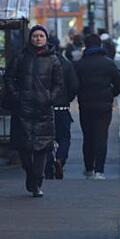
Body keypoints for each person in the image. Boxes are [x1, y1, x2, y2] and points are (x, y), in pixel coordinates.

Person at [4, 25, 63, 197]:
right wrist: (17, 95)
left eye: (41, 36)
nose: (38, 39)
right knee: (24, 148)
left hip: (43, 110)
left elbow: (59, 84)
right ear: (30, 38)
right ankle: (30, 174)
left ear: (46, 39)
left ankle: (37, 180)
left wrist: (50, 97)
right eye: (35, 36)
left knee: (42, 148)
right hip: (23, 109)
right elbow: (9, 77)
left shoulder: (53, 60)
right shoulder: (21, 57)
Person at [75, 34, 120, 180]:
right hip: (104, 105)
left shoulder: (80, 64)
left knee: (88, 137)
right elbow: (119, 84)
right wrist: (110, 95)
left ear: (86, 46)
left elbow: (74, 84)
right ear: (100, 45)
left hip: (85, 105)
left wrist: (80, 95)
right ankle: (99, 171)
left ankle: (89, 168)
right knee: (101, 137)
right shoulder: (108, 63)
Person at [44, 36, 79, 180]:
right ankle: (60, 159)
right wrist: (66, 99)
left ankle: (48, 167)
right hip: (62, 108)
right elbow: (74, 86)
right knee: (64, 138)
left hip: (44, 107)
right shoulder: (66, 63)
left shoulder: (40, 62)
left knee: (45, 139)